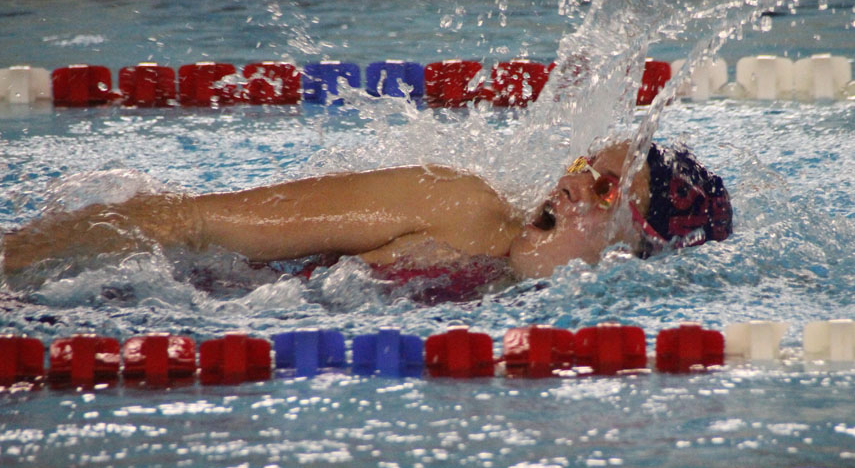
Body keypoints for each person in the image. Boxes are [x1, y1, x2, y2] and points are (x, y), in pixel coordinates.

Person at [1, 140, 732, 297]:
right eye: (581, 166)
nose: (571, 184)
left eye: (603, 190)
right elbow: (190, 223)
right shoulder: (453, 207)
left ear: (635, 244)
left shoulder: (530, 305)